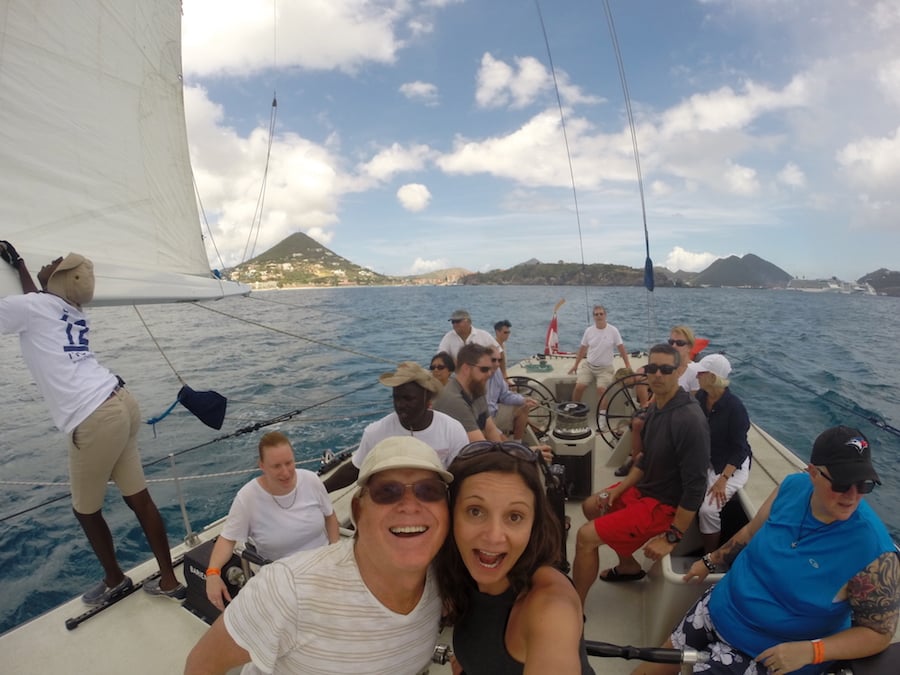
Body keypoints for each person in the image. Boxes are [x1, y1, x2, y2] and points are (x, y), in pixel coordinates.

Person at [633, 426, 900, 675]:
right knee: (656, 664)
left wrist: (812, 650)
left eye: (864, 484)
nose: (852, 495)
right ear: (813, 473)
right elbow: (750, 533)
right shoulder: (792, 488)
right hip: (720, 608)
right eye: (842, 484)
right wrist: (711, 560)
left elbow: (878, 633)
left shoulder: (874, 553)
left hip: (768, 654)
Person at [0, 245, 184, 604]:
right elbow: (36, 299)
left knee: (85, 510)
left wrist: (22, 268)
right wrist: (19, 263)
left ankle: (115, 578)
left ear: (60, 279)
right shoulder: (71, 309)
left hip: (93, 415)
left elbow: (31, 303)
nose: (48, 261)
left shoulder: (37, 308)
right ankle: (168, 580)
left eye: (55, 263)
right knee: (139, 499)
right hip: (120, 402)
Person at [184, 436, 452, 675]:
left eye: (429, 491)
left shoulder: (447, 579)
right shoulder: (284, 589)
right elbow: (202, 665)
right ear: (358, 511)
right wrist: (212, 572)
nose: (409, 506)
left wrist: (334, 545)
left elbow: (329, 517)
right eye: (387, 492)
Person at [434, 441, 595, 674]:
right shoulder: (459, 573)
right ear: (451, 514)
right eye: (475, 511)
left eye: (515, 516)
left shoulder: (549, 607)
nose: (494, 536)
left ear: (534, 525)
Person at [572, 343, 709, 606]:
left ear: (679, 371)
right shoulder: (656, 407)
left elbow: (696, 487)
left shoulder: (689, 420)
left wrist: (672, 536)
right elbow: (643, 461)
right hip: (645, 490)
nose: (657, 374)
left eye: (666, 369)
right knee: (592, 505)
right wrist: (618, 490)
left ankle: (575, 608)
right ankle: (628, 567)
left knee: (585, 537)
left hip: (664, 506)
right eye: (652, 368)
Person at [205, 431, 340, 611]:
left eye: (289, 463)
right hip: (282, 578)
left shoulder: (311, 480)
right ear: (262, 465)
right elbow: (228, 539)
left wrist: (335, 551)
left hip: (324, 566)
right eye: (276, 466)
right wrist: (213, 573)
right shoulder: (248, 498)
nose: (285, 472)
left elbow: (330, 516)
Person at [323, 361, 468, 491]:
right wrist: (320, 489)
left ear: (427, 398)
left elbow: (462, 474)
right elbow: (354, 469)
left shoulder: (452, 430)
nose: (400, 405)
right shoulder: (376, 432)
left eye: (408, 398)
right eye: (396, 398)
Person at [620, 325, 701, 476]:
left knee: (642, 424)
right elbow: (659, 392)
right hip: (659, 409)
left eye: (679, 343)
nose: (674, 346)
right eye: (671, 342)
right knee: (637, 421)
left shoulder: (694, 372)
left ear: (689, 347)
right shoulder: (665, 367)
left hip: (676, 416)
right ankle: (637, 463)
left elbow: (694, 402)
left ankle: (641, 462)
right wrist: (647, 406)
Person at [694, 354, 752, 552]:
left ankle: (709, 555)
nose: (696, 376)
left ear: (712, 377)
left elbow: (739, 449)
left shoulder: (735, 408)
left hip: (731, 465)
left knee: (708, 510)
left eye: (700, 373)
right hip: (709, 457)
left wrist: (723, 479)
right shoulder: (702, 397)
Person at [433, 343, 505, 443]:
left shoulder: (476, 389)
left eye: (489, 369)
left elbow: (490, 429)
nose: (489, 374)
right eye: (484, 369)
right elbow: (480, 445)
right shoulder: (454, 400)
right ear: (466, 368)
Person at [568, 305, 631, 404]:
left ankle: (602, 417)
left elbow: (621, 348)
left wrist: (628, 365)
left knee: (601, 390)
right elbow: (582, 349)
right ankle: (575, 409)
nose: (599, 316)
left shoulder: (613, 330)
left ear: (605, 315)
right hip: (589, 366)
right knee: (579, 387)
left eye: (601, 314)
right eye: (596, 314)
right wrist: (575, 365)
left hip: (605, 369)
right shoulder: (589, 331)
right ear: (593, 317)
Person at [486, 346, 538, 442]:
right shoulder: (478, 379)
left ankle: (517, 443)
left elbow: (504, 395)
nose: (497, 364)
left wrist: (523, 400)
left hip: (494, 413)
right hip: (484, 420)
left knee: (524, 406)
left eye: (499, 360)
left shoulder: (497, 372)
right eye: (493, 360)